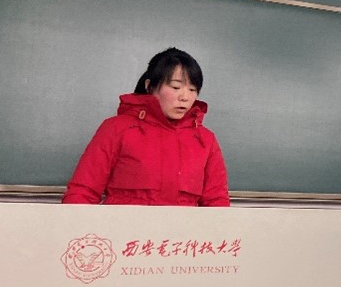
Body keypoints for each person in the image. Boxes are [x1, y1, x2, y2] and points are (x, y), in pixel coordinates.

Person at [63, 47, 230, 206]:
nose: (185, 97)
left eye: (193, 89)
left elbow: (217, 202)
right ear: (149, 86)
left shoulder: (205, 139)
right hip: (122, 226)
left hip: (183, 227)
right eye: (175, 87)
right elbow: (82, 192)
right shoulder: (116, 129)